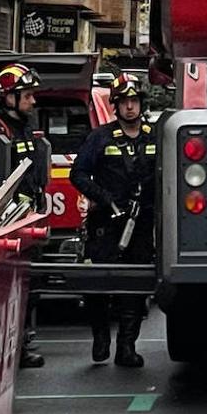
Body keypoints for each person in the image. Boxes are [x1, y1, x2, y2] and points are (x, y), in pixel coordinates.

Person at [70, 73, 157, 367]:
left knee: (134, 285)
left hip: (142, 224)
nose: (130, 107)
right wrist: (104, 197)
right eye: (124, 102)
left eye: (134, 101)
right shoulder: (100, 137)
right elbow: (78, 174)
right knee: (99, 282)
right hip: (106, 223)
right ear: (115, 106)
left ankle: (127, 348)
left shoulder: (154, 136)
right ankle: (101, 337)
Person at [0, 63, 49, 369]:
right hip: (7, 223)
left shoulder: (28, 128)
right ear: (8, 97)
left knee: (29, 284)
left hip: (29, 219)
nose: (32, 101)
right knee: (6, 286)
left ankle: (24, 343)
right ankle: (9, 348)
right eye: (27, 95)